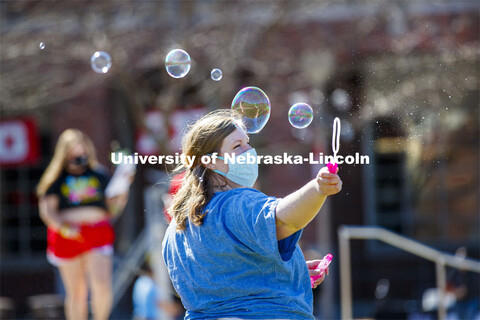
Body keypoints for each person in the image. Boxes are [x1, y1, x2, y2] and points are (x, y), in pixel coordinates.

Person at [162, 109, 342, 319]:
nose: (249, 151)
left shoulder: (176, 228)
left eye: (247, 142)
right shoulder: (237, 201)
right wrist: (318, 188)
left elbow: (220, 278)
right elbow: (285, 221)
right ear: (210, 161)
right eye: (237, 146)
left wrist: (293, 272)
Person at [36, 129, 132, 320]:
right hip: (67, 235)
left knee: (102, 285)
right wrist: (63, 228)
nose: (79, 160)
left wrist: (123, 191)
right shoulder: (55, 179)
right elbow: (47, 212)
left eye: (82, 155)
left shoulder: (99, 175)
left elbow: (112, 210)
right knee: (77, 292)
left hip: (97, 233)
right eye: (73, 156)